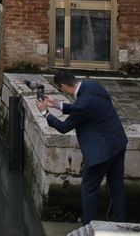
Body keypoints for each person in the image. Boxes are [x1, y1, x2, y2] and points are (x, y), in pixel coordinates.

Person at [35, 69, 128, 225]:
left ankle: (89, 226)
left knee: (88, 190)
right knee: (116, 187)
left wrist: (45, 113)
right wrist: (56, 104)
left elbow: (64, 127)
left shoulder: (82, 104)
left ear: (64, 85)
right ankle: (120, 223)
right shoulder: (93, 86)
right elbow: (83, 107)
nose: (61, 91)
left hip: (100, 153)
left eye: (60, 89)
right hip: (118, 144)